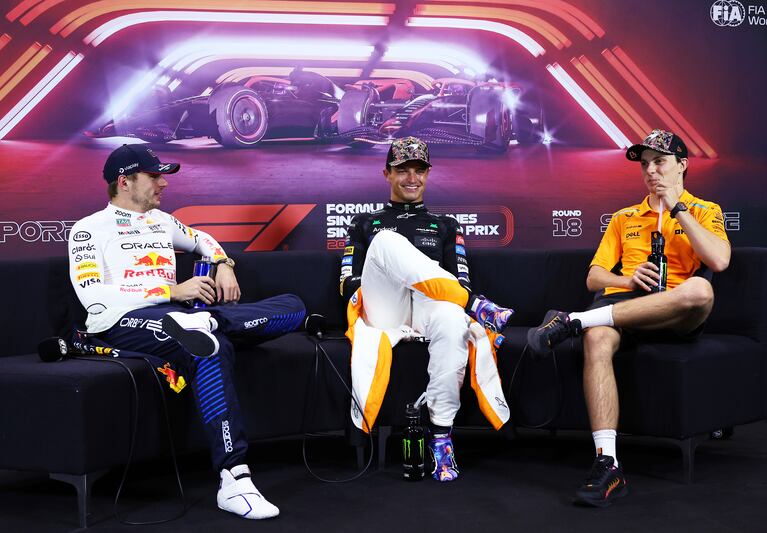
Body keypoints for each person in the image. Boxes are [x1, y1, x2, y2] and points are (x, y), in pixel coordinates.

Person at [68, 144, 306, 519]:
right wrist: (171, 291)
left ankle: (213, 320)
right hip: (121, 321)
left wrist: (223, 263)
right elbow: (93, 295)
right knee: (208, 346)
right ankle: (234, 478)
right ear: (124, 182)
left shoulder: (163, 221)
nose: (163, 183)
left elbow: (203, 241)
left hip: (182, 316)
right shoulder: (88, 230)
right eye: (154, 176)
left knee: (293, 306)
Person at [526, 129, 730, 506]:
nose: (651, 171)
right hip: (626, 306)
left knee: (701, 290)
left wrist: (677, 207)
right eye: (645, 164)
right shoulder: (624, 217)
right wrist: (628, 279)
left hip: (675, 310)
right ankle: (608, 463)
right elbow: (594, 277)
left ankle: (575, 321)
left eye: (660, 162)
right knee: (597, 338)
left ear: (682, 165)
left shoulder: (705, 210)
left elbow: (718, 260)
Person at [340, 136, 514, 482]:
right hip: (384, 309)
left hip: (429, 310)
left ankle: (441, 437)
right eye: (402, 170)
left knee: (452, 320)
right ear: (387, 174)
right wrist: (400, 274)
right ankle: (478, 308)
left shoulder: (446, 225)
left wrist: (429, 287)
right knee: (387, 242)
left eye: (419, 170)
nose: (412, 178)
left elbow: (460, 282)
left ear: (428, 174)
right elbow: (347, 284)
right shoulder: (364, 223)